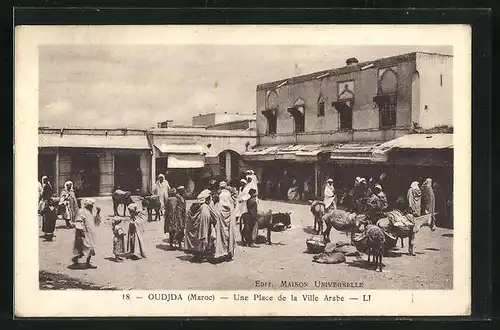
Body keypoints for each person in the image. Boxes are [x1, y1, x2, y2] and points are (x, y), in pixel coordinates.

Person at [184, 189, 218, 262]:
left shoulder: (195, 205)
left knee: (197, 241)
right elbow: (213, 216)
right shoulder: (205, 207)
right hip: (203, 227)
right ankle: (200, 255)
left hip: (196, 227)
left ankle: (197, 255)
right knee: (202, 240)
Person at [71, 198, 101, 268]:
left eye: (92, 205)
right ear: (87, 205)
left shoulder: (91, 212)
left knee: (90, 248)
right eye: (90, 205)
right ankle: (76, 258)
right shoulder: (81, 211)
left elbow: (96, 222)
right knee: (85, 248)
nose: (92, 207)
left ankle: (87, 262)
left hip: (90, 233)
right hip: (84, 233)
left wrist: (98, 213)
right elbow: (78, 221)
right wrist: (81, 231)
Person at [213, 181, 237, 262]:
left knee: (220, 234)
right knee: (230, 234)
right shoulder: (228, 195)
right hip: (230, 217)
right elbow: (232, 205)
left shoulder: (219, 195)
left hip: (220, 216)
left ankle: (221, 252)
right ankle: (229, 252)